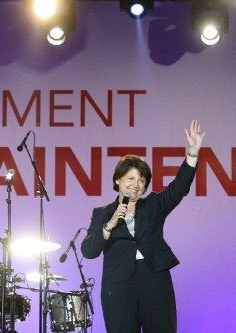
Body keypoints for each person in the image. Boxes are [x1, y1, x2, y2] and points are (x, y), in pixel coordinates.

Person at [81, 120, 205, 333]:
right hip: (118, 284)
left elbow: (179, 188)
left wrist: (192, 153)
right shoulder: (102, 213)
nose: (136, 185)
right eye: (130, 178)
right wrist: (110, 225)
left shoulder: (154, 205)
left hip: (154, 279)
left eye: (142, 180)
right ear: (118, 180)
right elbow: (89, 251)